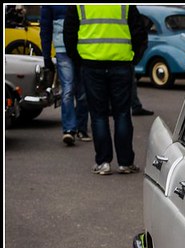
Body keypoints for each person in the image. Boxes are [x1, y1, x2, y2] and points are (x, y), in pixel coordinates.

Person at [64, 5, 148, 175]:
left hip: (92, 64)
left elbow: (69, 34)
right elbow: (139, 32)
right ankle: (125, 163)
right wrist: (133, 58)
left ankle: (103, 162)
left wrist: (79, 60)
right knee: (123, 114)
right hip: (121, 63)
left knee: (98, 115)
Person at [39, 5, 90, 145]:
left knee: (72, 89)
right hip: (78, 48)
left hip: (69, 48)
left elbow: (45, 28)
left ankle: (72, 129)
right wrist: (46, 56)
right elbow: (45, 28)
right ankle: (75, 129)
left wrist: (47, 56)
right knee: (78, 90)